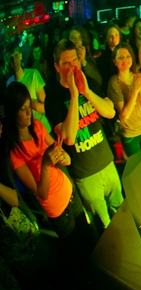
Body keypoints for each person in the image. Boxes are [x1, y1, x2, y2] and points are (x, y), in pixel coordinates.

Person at [4, 81, 95, 262]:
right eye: (23, 109)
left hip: (70, 194)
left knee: (93, 241)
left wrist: (61, 154)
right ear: (13, 113)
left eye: (29, 106)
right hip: (58, 212)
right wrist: (45, 164)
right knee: (81, 256)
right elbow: (42, 193)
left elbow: (65, 158)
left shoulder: (37, 126)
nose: (29, 112)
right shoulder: (15, 152)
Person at [45, 39, 123, 230]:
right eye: (66, 63)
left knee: (122, 212)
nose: (72, 66)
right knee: (105, 225)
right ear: (57, 67)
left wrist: (86, 92)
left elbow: (110, 112)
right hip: (86, 173)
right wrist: (74, 96)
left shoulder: (90, 83)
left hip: (106, 161)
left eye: (75, 60)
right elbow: (69, 137)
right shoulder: (53, 98)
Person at [107, 43, 141, 158]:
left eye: (128, 56)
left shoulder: (137, 76)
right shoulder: (114, 83)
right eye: (120, 57)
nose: (125, 60)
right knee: (138, 165)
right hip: (130, 134)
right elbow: (124, 115)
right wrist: (135, 90)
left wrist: (140, 89)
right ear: (114, 61)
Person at [4, 42, 52, 133]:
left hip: (43, 128)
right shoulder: (9, 83)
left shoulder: (33, 74)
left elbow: (46, 107)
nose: (14, 60)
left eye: (16, 55)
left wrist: (25, 102)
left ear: (20, 56)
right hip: (27, 133)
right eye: (11, 57)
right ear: (7, 61)